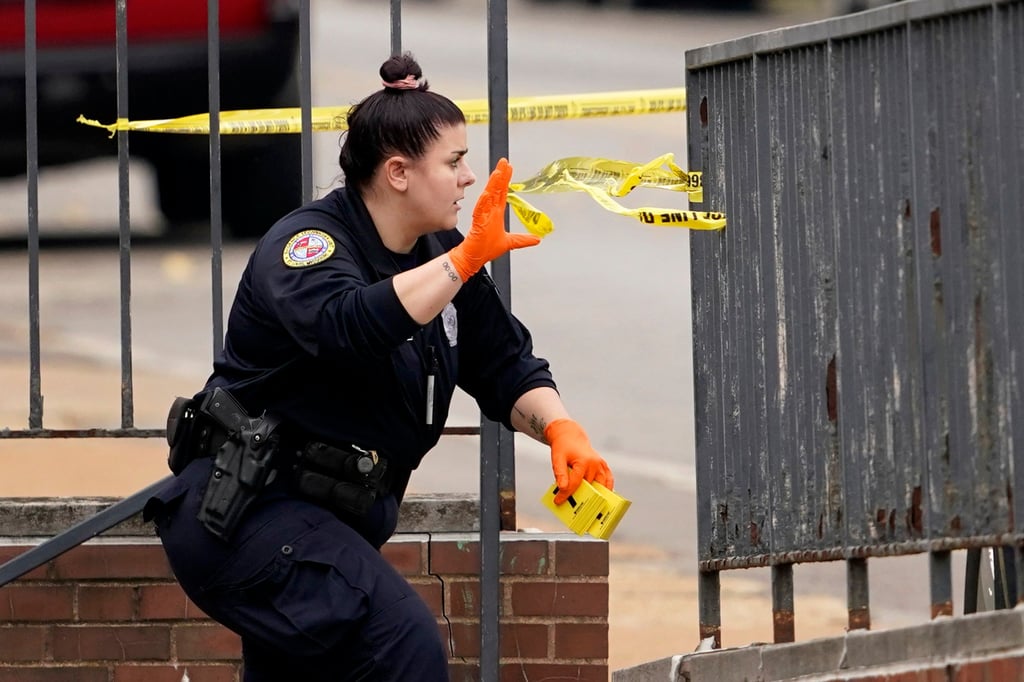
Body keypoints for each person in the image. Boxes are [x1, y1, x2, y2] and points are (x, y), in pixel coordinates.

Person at [144, 52, 616, 681]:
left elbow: (503, 361)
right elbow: (348, 326)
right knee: (403, 644)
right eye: (453, 162)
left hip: (325, 525)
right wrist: (463, 261)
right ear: (398, 172)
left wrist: (559, 428)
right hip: (248, 516)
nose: (469, 177)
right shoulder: (307, 245)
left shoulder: (442, 254)